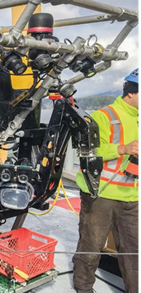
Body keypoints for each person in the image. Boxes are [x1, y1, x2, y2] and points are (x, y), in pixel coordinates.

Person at [73, 68, 139, 293]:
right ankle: (83, 288)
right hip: (101, 195)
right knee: (91, 245)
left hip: (133, 197)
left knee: (134, 251)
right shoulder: (104, 116)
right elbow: (87, 152)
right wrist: (123, 148)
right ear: (131, 93)